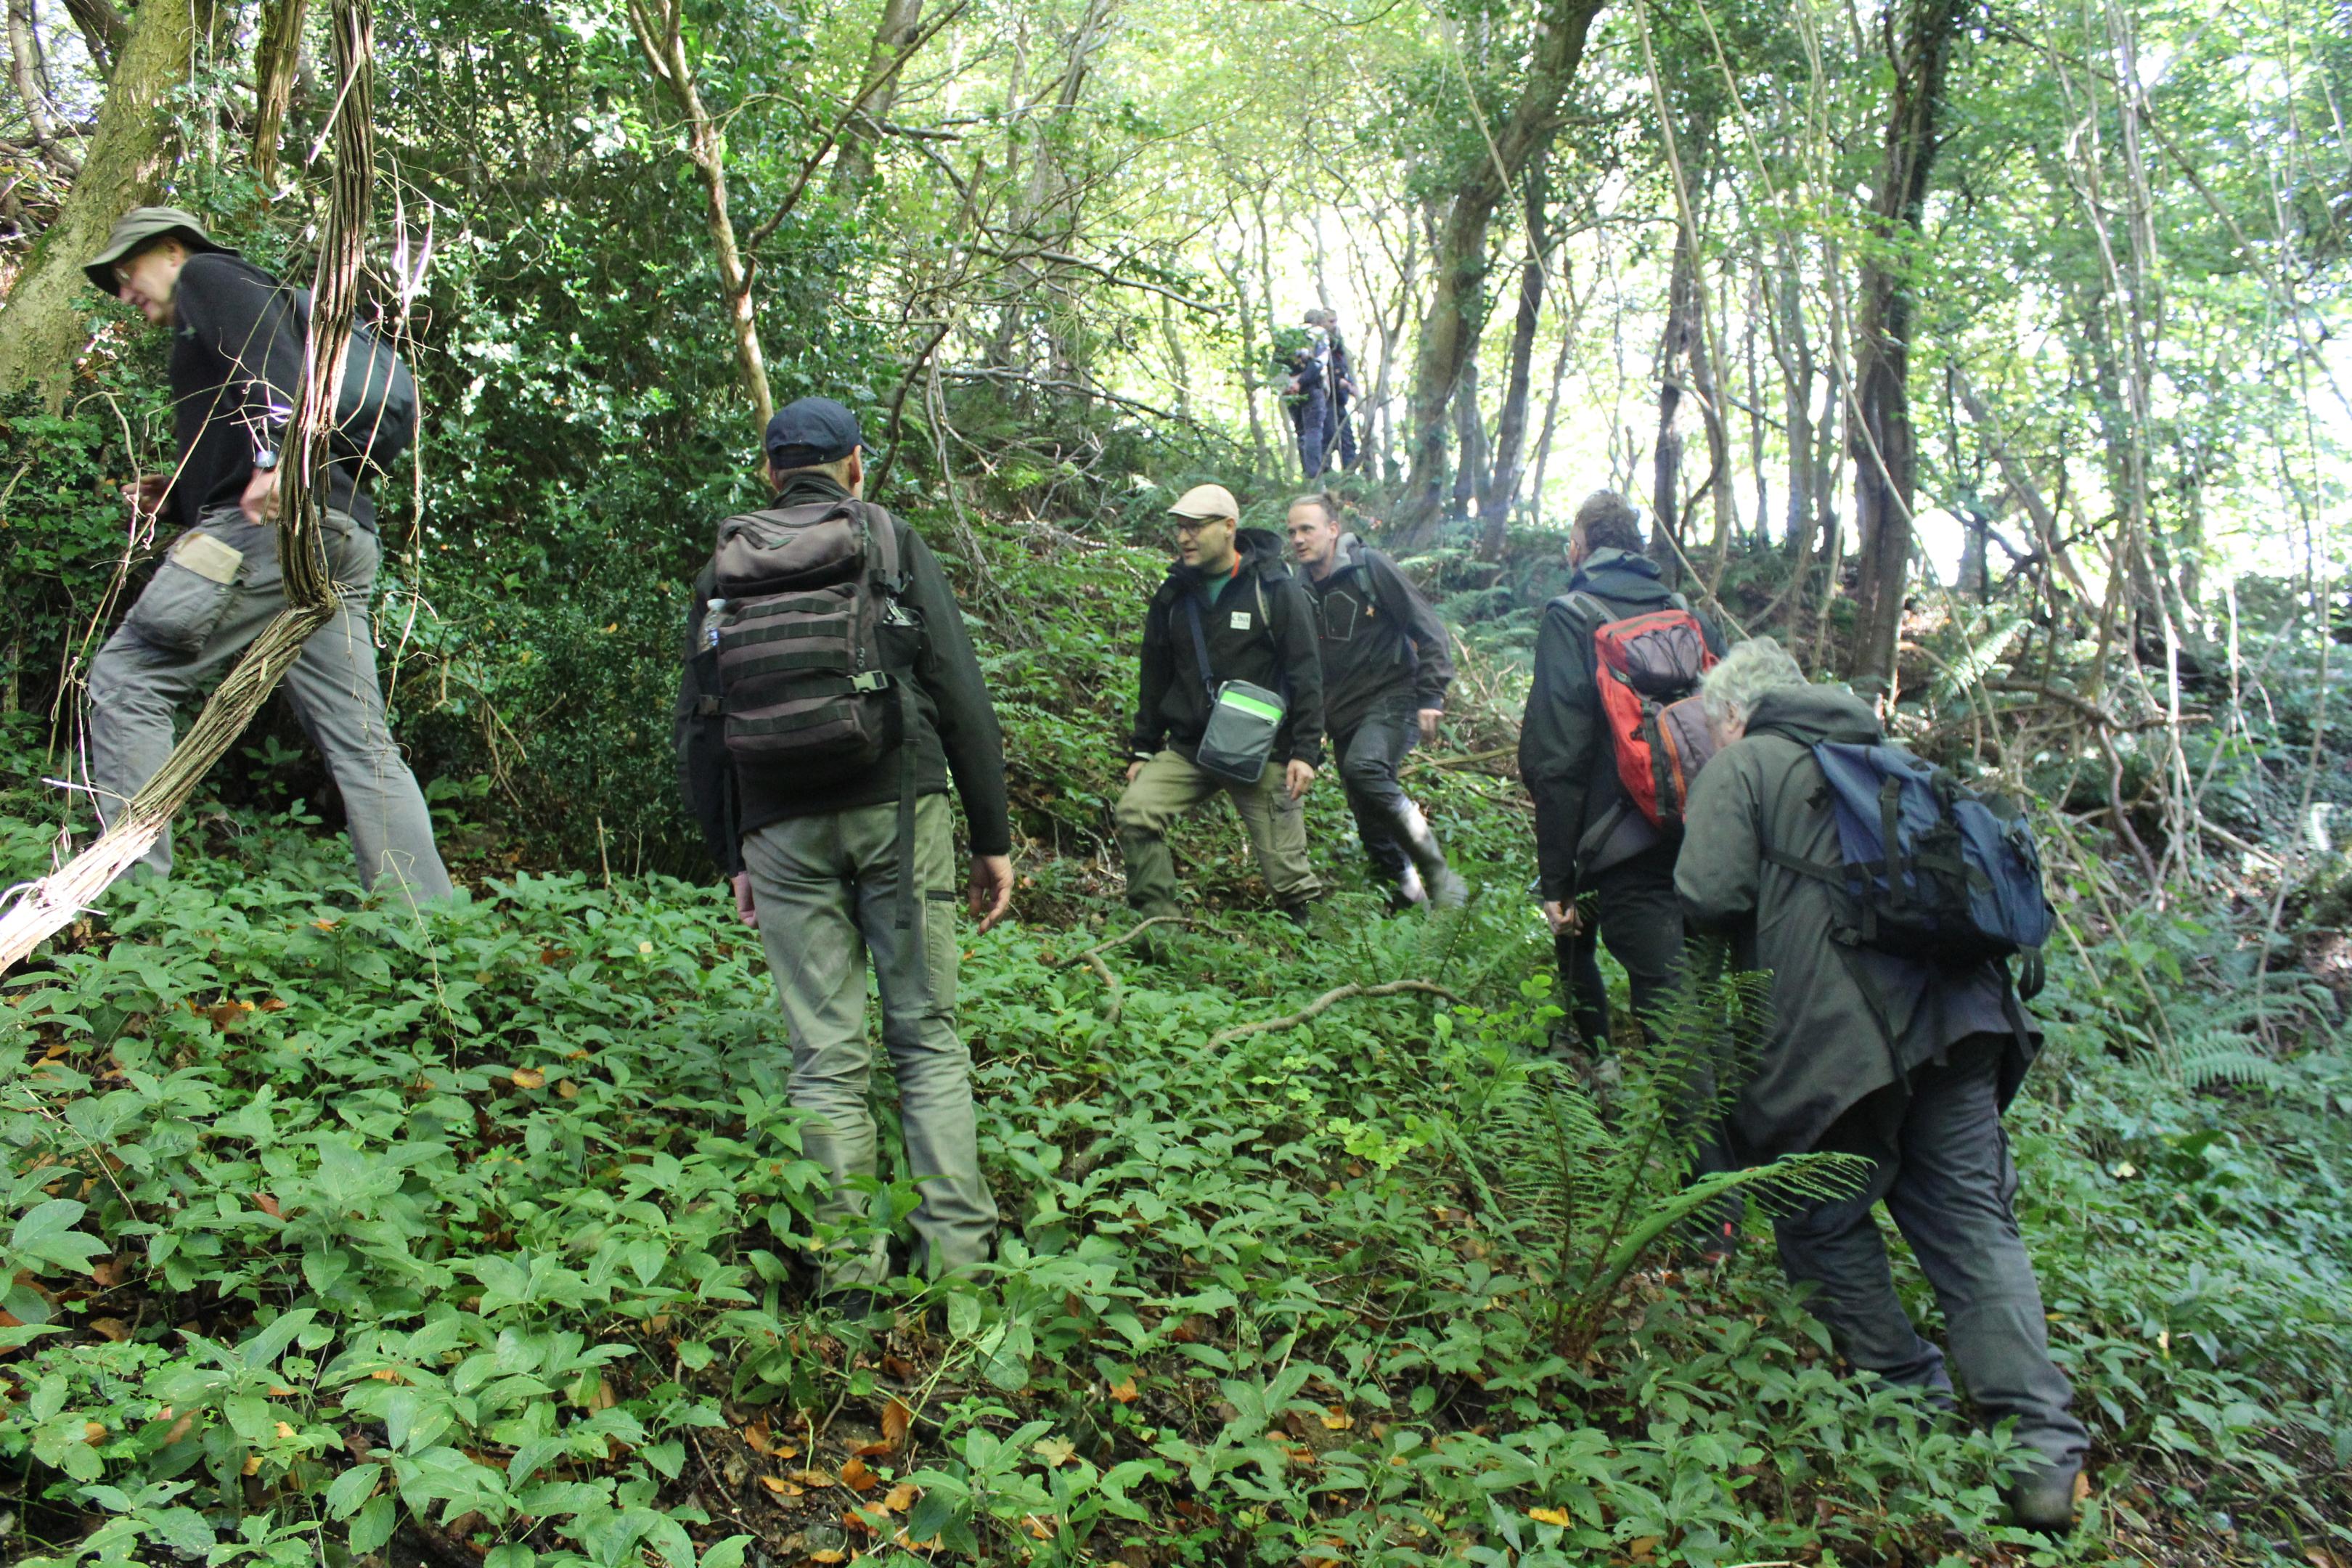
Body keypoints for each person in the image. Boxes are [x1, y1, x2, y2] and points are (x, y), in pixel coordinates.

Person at [1674, 637, 2088, 1533]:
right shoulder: (1889, 757)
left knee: (1820, 1215)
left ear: (1735, 716)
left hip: (1841, 1043)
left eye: (1713, 731)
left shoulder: (1745, 765)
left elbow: (1707, 893)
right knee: (1975, 1222)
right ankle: (2044, 1455)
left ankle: (1908, 1401)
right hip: (1965, 1019)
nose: (1713, 743)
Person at [675, 396, 1013, 1318]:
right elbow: (957, 688)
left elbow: (701, 728)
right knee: (926, 1038)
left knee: (824, 1055)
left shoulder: (725, 567)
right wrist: (993, 837)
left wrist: (731, 853)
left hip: (779, 827)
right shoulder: (889, 541)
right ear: (855, 463)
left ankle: (848, 1281)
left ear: (770, 469)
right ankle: (959, 1269)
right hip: (897, 806)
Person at [77, 206, 452, 900]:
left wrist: (282, 457)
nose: (124, 290)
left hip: (273, 533)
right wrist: (180, 495)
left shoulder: (208, 274)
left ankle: (132, 906)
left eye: (127, 271)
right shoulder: (237, 302)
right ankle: (433, 928)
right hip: (339, 534)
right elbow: (267, 394)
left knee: (128, 678)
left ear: (169, 247)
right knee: (360, 741)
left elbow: (272, 367)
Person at [1517, 489, 1724, 1040]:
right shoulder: (1689, 617)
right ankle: (1744, 1124)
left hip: (1625, 850)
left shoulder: (1573, 618)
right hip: (1709, 836)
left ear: (1579, 548)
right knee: (1709, 1007)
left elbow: (1555, 760)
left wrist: (1558, 880)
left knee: (1674, 1025)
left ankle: (1651, 1101)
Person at [1116, 483, 1325, 929]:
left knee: (1289, 878)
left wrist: (1306, 752)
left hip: (1262, 751)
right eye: (1180, 528)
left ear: (1229, 528)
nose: (1184, 537)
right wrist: (1143, 749)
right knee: (1135, 812)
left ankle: (1314, 953)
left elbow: (1306, 673)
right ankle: (1160, 930)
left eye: (1196, 527)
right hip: (1190, 748)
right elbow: (1154, 678)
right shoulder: (1173, 597)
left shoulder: (1274, 590)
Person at [1283, 494, 1464, 909]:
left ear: (1333, 529)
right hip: (1342, 716)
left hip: (1394, 696)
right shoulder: (1297, 590)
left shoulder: (1370, 567)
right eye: (1291, 531)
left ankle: (1439, 874)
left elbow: (1428, 626)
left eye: (1307, 529)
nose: (1297, 539)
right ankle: (1408, 898)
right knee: (1367, 815)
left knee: (1364, 768)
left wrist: (1432, 695)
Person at [1304, 308, 1359, 473]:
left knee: (1347, 443)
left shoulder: (1336, 344)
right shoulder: (1317, 342)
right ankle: (1324, 481)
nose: (1334, 325)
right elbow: (1318, 371)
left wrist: (1348, 385)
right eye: (1331, 322)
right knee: (1326, 441)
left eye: (1336, 321)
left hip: (1340, 402)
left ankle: (1350, 484)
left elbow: (1341, 367)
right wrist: (1338, 383)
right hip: (1325, 401)